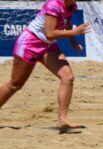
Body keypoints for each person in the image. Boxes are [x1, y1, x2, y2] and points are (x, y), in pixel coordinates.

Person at [0, 0, 89, 131]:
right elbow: (50, 33)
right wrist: (75, 33)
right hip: (29, 43)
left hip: (47, 45)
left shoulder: (72, 5)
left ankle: (63, 120)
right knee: (15, 84)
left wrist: (73, 42)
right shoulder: (53, 5)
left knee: (67, 77)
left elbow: (67, 24)